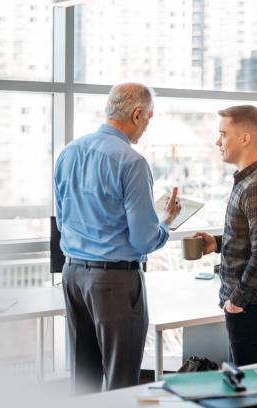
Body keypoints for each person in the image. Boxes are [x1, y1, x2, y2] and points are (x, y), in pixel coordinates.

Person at [54, 83, 180, 394]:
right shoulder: (131, 162)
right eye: (148, 119)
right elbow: (142, 240)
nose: (146, 127)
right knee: (121, 382)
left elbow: (62, 216)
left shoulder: (69, 152)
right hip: (114, 283)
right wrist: (165, 222)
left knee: (83, 379)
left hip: (73, 277)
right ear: (137, 114)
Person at [194, 105, 257, 366]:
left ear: (245, 138)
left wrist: (236, 301)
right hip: (250, 306)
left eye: (223, 134)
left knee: (250, 390)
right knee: (242, 384)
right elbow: (252, 239)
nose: (218, 141)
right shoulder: (249, 181)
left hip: (254, 308)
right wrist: (218, 244)